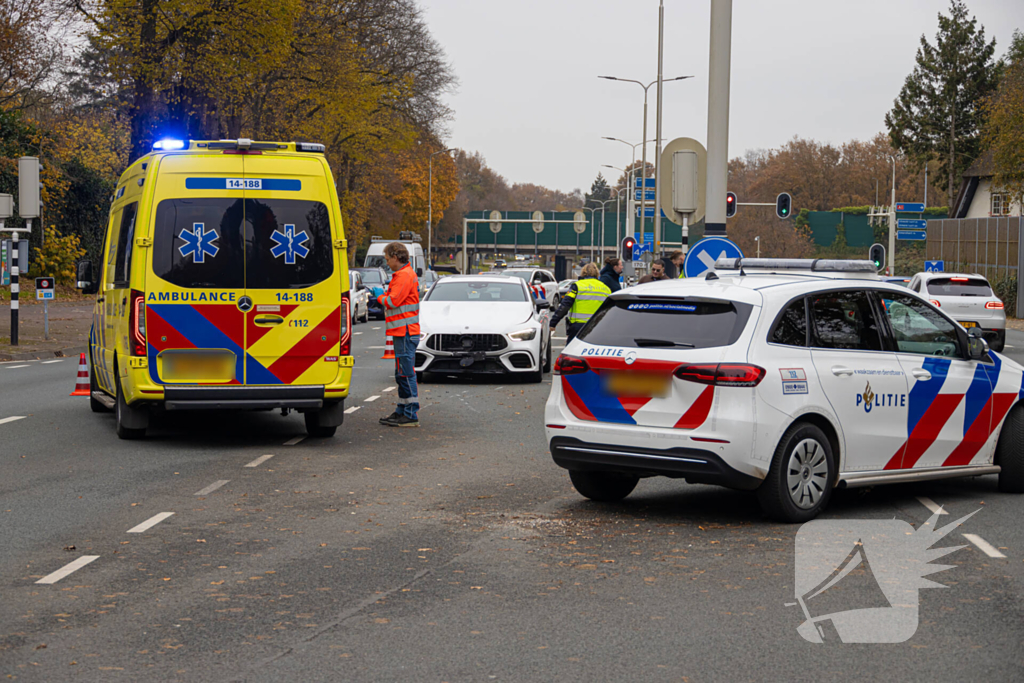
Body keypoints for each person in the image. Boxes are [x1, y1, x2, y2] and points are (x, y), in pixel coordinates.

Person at [377, 242, 421, 428]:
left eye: (388, 259)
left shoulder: (403, 276)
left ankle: (410, 413)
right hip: (403, 331)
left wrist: (379, 296)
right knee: (401, 374)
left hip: (404, 332)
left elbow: (393, 301)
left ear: (396, 257)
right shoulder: (404, 274)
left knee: (405, 374)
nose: (387, 262)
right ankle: (402, 410)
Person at [548, 262, 611, 343]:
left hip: (579, 326)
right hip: (598, 326)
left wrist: (553, 322)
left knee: (572, 352)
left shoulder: (577, 286)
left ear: (583, 272)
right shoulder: (606, 289)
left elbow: (565, 305)